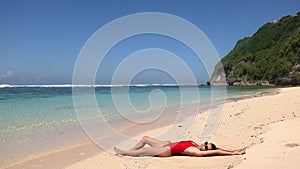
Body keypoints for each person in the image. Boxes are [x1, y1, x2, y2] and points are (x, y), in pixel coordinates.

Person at [114, 136, 246, 157]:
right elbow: (218, 146)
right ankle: (130, 151)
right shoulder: (196, 144)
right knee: (145, 139)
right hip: (167, 144)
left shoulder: (196, 151)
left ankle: (124, 153)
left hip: (166, 150)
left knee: (144, 150)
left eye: (206, 147)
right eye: (206, 143)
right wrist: (234, 149)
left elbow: (216, 151)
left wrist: (233, 154)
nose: (204, 145)